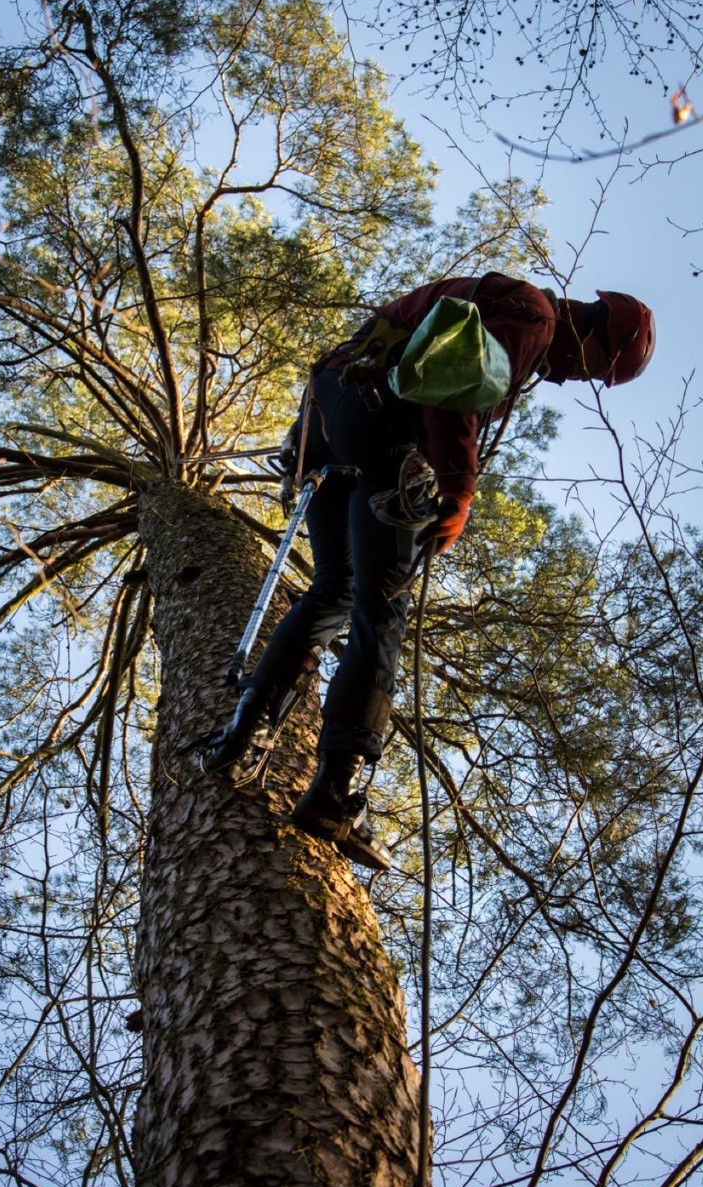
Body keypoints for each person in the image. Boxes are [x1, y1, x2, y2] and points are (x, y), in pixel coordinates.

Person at [205, 272, 656, 871]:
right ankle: (334, 791)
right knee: (381, 608)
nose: (580, 376)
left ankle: (243, 728)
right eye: (597, 364)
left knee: (335, 588)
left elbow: (377, 355)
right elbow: (452, 387)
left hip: (331, 417)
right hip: (382, 430)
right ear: (599, 328)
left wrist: (303, 445)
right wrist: (459, 491)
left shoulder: (507, 305)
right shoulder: (536, 316)